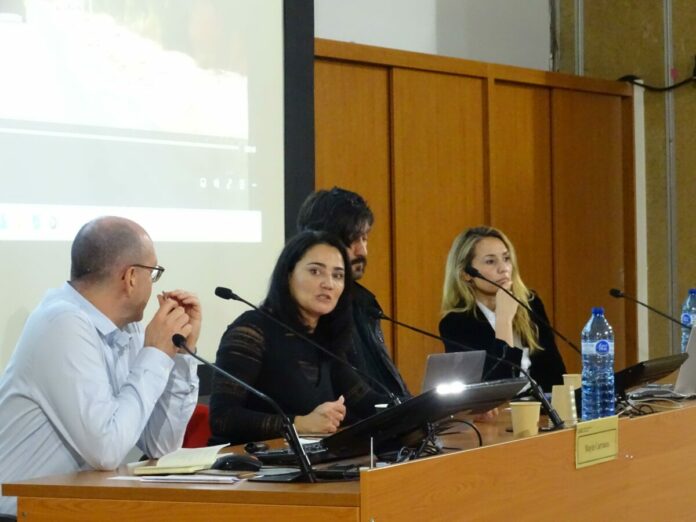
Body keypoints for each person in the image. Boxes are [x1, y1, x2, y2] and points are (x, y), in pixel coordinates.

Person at [0, 217, 201, 517]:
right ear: (131, 276)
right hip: (21, 512)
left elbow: (162, 445)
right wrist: (156, 354)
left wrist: (180, 354)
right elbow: (106, 450)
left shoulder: (127, 329)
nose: (154, 284)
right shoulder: (61, 323)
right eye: (153, 273)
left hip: (79, 509)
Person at [208, 230, 382, 445]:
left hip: (300, 465)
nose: (328, 283)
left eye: (337, 275)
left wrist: (426, 407)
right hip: (245, 469)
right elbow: (222, 418)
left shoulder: (324, 337)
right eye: (315, 271)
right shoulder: (252, 330)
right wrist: (298, 423)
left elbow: (365, 401)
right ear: (288, 274)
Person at [296, 187, 410, 400]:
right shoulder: (310, 318)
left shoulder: (365, 305)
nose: (362, 251)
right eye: (352, 239)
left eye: (365, 239)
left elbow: (379, 391)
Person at [439, 226, 566, 392]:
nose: (503, 268)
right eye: (491, 261)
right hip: (498, 415)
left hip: (539, 411)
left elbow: (556, 374)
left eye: (506, 258)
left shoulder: (530, 303)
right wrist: (504, 321)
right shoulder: (456, 324)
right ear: (466, 274)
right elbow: (495, 387)